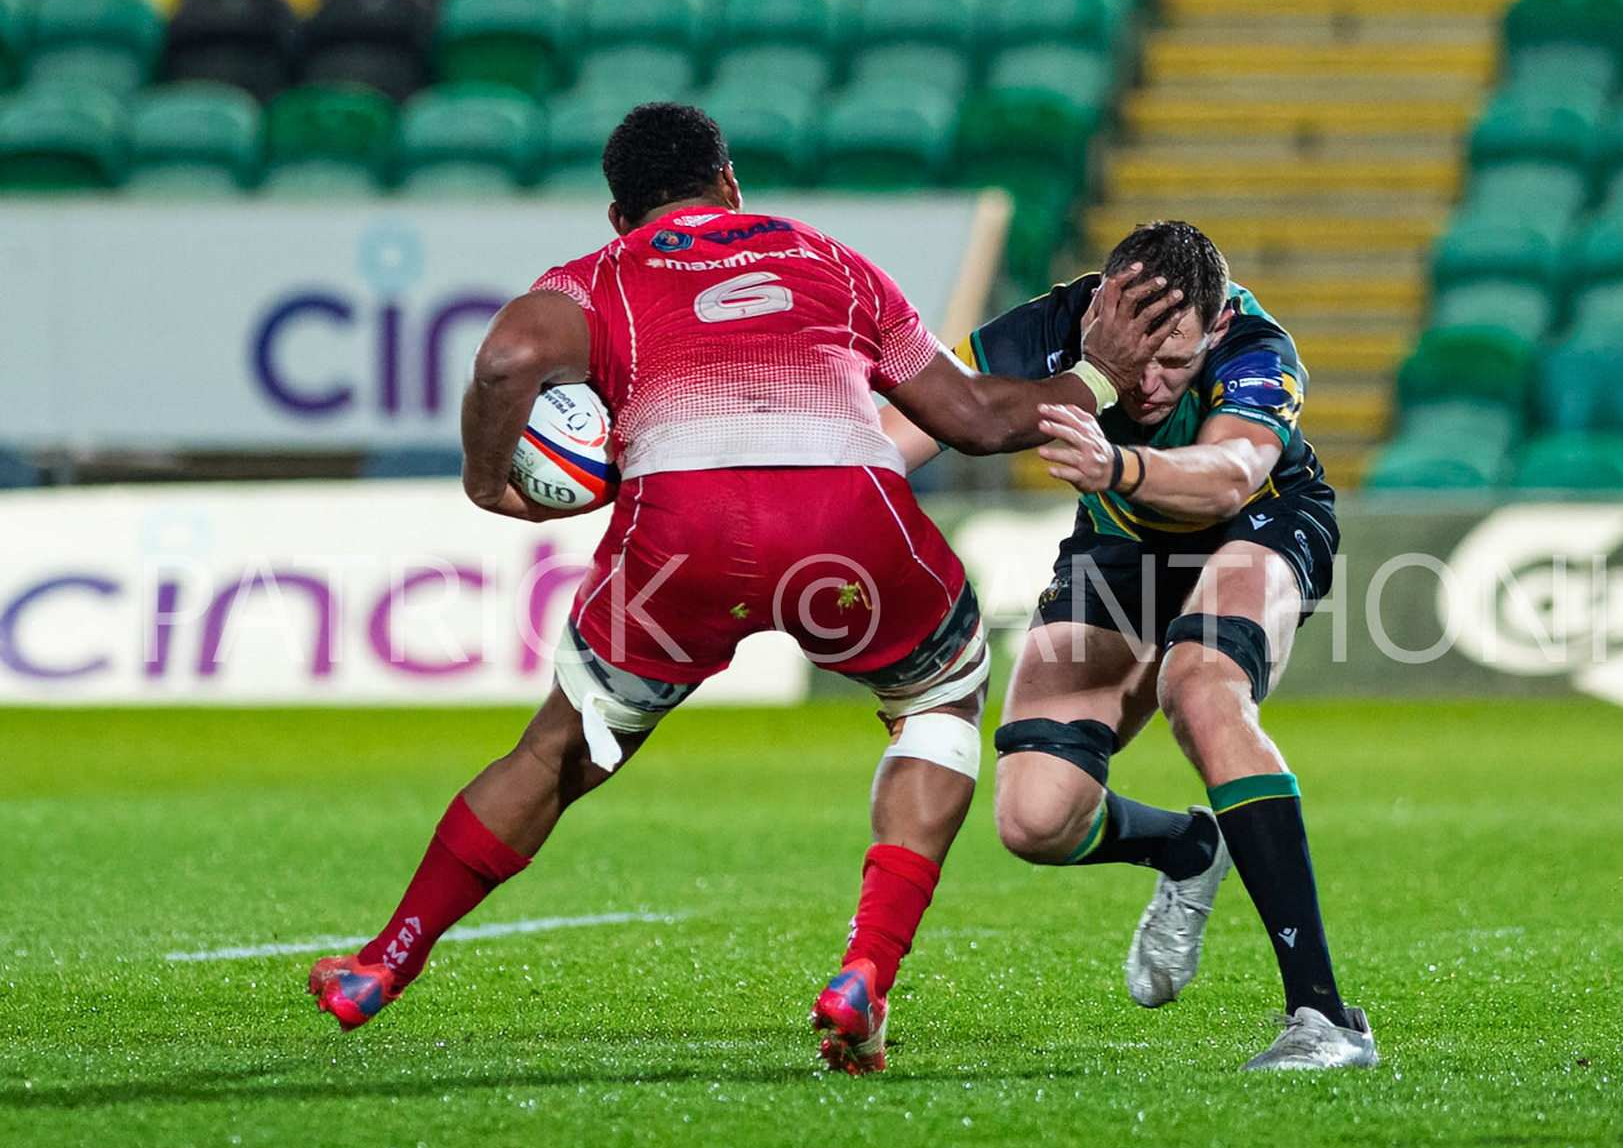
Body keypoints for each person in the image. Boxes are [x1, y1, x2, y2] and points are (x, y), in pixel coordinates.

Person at [306, 103, 1181, 1074]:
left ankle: (383, 962)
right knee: (939, 697)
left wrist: (487, 482)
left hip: (682, 539)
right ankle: (865, 972)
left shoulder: (597, 280)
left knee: (561, 749)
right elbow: (973, 418)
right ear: (729, 183)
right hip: (845, 527)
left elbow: (506, 360)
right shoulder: (833, 263)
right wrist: (1096, 379)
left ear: (616, 214)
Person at [884, 220, 1377, 1071]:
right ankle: (1186, 845)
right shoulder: (1048, 327)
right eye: (1134, 356)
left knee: (1200, 684)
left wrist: (1118, 466)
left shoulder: (1259, 347)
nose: (1149, 384)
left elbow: (1229, 474)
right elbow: (897, 438)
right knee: (1035, 817)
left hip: (1257, 523)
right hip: (1121, 545)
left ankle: (1324, 1018)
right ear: (1102, 308)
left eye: (1175, 364)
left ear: (1216, 330)